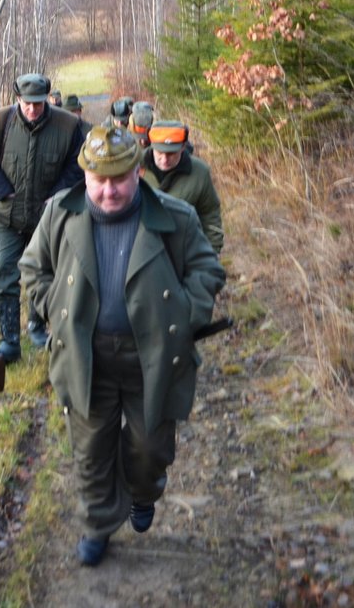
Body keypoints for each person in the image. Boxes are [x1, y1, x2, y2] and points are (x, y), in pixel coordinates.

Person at [19, 124, 225, 567]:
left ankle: (143, 493)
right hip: (86, 357)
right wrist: (57, 308)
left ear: (137, 172)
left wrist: (184, 316)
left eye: (119, 179)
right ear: (86, 176)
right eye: (100, 180)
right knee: (91, 452)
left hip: (151, 358)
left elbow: (207, 271)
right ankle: (98, 524)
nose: (109, 191)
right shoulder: (60, 212)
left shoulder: (175, 216)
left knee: (149, 449)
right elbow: (33, 269)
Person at [0, 72, 84, 363]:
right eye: (27, 103)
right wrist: (1, 190)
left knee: (42, 273)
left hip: (46, 220)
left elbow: (79, 164)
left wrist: (58, 194)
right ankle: (9, 340)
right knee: (4, 274)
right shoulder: (0, 121)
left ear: (46, 98)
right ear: (17, 99)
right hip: (6, 217)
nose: (32, 109)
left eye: (38, 103)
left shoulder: (68, 125)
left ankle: (37, 325)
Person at [140, 120, 224, 253]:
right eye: (160, 152)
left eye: (171, 154)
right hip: (142, 252)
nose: (165, 159)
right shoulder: (133, 168)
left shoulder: (199, 172)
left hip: (183, 252)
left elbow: (210, 214)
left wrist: (212, 253)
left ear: (183, 147)